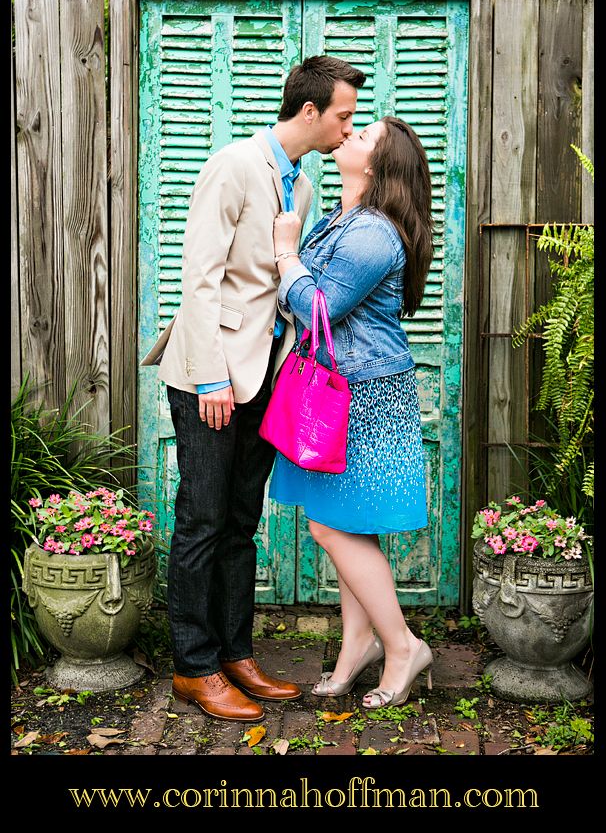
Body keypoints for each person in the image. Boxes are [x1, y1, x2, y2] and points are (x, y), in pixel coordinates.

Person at [141, 56, 367, 722]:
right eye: (343, 116)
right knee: (203, 520)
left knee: (242, 522)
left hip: (264, 377)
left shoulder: (299, 185)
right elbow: (200, 277)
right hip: (209, 377)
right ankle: (194, 666)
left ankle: (235, 653)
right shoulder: (233, 165)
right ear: (309, 112)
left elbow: (278, 283)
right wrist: (211, 374)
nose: (346, 127)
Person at [270, 115, 435, 709]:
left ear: (376, 166)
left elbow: (319, 307)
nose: (350, 136)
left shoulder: (372, 233)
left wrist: (287, 253)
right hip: (339, 386)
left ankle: (402, 645)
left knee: (329, 524)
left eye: (363, 136)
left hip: (365, 394)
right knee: (349, 524)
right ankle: (357, 646)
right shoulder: (344, 218)